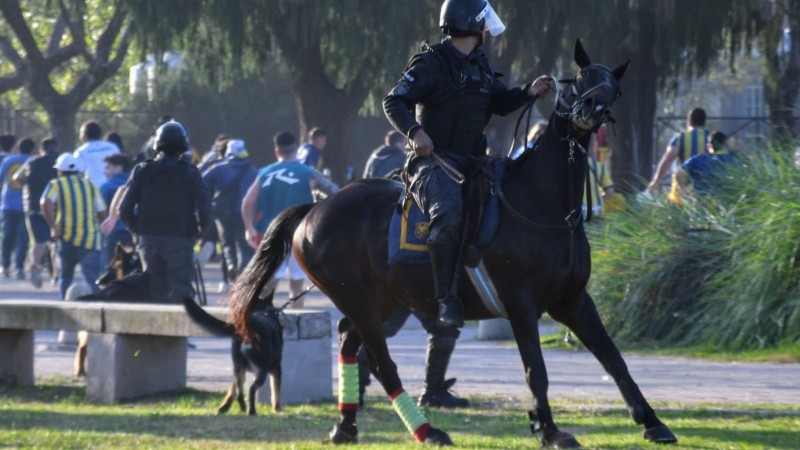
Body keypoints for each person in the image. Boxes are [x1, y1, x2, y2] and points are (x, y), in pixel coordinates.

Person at [382, 0, 555, 329]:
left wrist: (529, 91)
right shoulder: (429, 62)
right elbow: (393, 101)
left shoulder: (480, 64)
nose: (486, 28)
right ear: (472, 26)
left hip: (474, 162)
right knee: (447, 212)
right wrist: (415, 132)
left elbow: (502, 103)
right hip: (432, 163)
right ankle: (446, 297)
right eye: (482, 22)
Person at [119, 120, 213, 303]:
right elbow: (205, 208)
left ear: (157, 144)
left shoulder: (142, 170)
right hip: (180, 239)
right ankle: (178, 330)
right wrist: (200, 232)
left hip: (148, 240)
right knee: (181, 290)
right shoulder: (190, 173)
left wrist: (137, 230)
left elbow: (124, 209)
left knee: (153, 289)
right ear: (182, 146)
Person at [241, 131, 338, 306]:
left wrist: (249, 229)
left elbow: (247, 203)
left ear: (276, 151)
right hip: (299, 235)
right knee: (296, 285)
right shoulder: (309, 173)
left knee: (268, 283)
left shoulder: (264, 173)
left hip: (270, 234)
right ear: (295, 150)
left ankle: (264, 319)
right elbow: (335, 193)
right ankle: (296, 322)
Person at [40, 153, 106, 299]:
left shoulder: (56, 184)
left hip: (67, 238)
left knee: (65, 278)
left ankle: (65, 306)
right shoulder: (90, 186)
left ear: (60, 171)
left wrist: (53, 226)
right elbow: (101, 211)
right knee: (92, 279)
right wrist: (103, 226)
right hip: (90, 240)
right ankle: (99, 307)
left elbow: (45, 202)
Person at [202, 139, 258, 287]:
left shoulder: (217, 168)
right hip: (244, 213)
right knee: (243, 245)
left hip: (221, 213)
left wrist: (208, 203)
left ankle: (231, 268)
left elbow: (201, 184)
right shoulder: (253, 171)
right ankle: (243, 273)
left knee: (227, 244)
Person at [12, 138, 59, 288]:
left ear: (41, 149)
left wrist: (26, 186)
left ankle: (34, 265)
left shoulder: (32, 162)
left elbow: (16, 177)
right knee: (54, 241)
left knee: (39, 240)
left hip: (32, 205)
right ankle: (55, 274)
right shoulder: (58, 163)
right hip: (53, 206)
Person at [647, 107, 711, 196]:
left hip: (683, 190)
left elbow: (668, 159)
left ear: (689, 121)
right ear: (704, 122)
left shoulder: (680, 138)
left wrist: (656, 181)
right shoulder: (712, 138)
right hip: (709, 190)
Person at [0, 137, 34, 279]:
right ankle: (19, 267)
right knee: (23, 238)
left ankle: (4, 266)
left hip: (8, 203)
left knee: (7, 236)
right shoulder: (32, 161)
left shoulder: (8, 161)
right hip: (26, 204)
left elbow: (1, 181)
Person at [98, 153, 134, 267]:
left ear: (118, 167)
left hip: (114, 232)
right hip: (135, 231)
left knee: (113, 267)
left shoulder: (107, 186)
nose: (105, 171)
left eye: (108, 167)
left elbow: (99, 209)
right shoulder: (137, 182)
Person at [676, 131, 736, 198]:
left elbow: (679, 174)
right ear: (725, 144)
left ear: (708, 146)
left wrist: (686, 191)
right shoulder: (733, 160)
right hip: (727, 202)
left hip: (702, 202)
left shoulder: (697, 159)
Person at [73, 121, 121, 188]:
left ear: (84, 135)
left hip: (93, 189)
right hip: (114, 187)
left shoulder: (81, 151)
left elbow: (76, 174)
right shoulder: (112, 146)